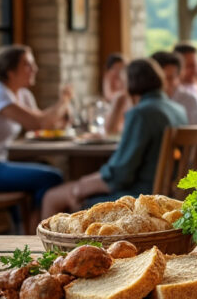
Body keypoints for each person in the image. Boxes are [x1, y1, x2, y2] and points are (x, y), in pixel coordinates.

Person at [40, 59, 188, 216]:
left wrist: (81, 186)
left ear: (130, 84)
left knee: (51, 197)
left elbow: (120, 175)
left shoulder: (141, 114)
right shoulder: (179, 110)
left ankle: (38, 241)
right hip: (168, 196)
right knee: (74, 190)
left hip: (139, 197)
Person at [0, 45, 71, 231]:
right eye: (27, 64)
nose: (35, 69)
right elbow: (37, 123)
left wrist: (62, 118)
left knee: (45, 167)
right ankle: (35, 232)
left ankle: (26, 229)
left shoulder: (22, 94)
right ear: (10, 71)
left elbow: (46, 124)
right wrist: (63, 101)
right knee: (52, 177)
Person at [150, 51, 197, 125]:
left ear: (179, 76)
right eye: (161, 79)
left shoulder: (190, 100)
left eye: (170, 78)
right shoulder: (145, 102)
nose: (165, 84)